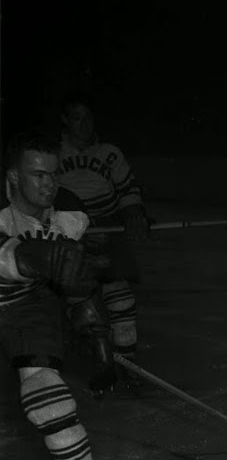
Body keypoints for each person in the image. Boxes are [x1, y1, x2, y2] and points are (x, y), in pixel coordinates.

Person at [0, 130, 115, 460]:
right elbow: (10, 257)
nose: (49, 185)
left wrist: (95, 329)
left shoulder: (69, 213)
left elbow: (78, 280)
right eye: (37, 176)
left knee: (47, 396)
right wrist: (37, 255)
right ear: (13, 177)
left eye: (53, 174)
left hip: (27, 306)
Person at [56, 101, 144, 391]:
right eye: (77, 117)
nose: (84, 123)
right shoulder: (52, 153)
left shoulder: (109, 153)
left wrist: (133, 214)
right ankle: (95, 361)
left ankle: (127, 365)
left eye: (88, 117)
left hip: (107, 232)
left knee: (120, 297)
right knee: (76, 302)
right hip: (68, 235)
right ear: (65, 120)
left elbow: (128, 191)